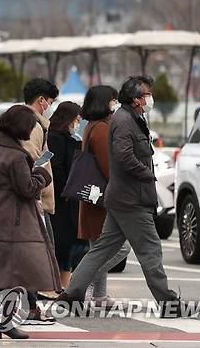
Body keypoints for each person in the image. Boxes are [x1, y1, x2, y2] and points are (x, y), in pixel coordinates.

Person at [57, 76, 181, 317]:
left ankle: (72, 293)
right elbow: (123, 156)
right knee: (151, 251)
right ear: (136, 99)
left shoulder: (130, 118)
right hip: (131, 199)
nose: (150, 98)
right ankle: (169, 302)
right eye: (147, 94)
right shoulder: (124, 121)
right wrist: (146, 174)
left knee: (102, 249)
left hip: (122, 197)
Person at [0, 105, 58, 339]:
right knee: (20, 273)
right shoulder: (16, 156)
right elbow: (27, 188)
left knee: (11, 273)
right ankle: (6, 322)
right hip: (14, 222)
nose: (32, 131)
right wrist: (41, 171)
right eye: (31, 127)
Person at [78, 86, 131, 306]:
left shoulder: (93, 126)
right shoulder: (101, 129)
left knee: (98, 247)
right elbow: (109, 167)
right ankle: (81, 283)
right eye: (113, 100)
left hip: (94, 198)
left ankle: (99, 295)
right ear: (104, 102)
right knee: (119, 247)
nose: (116, 104)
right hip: (102, 198)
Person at [20, 77, 60, 323]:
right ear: (41, 100)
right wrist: (36, 193)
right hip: (34, 199)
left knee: (35, 255)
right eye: (50, 101)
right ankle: (30, 307)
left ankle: (30, 305)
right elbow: (31, 162)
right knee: (39, 254)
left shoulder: (31, 123)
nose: (51, 106)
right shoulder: (33, 126)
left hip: (34, 198)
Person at [47, 101, 86, 289]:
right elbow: (57, 169)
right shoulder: (54, 138)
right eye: (76, 119)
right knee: (61, 243)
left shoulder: (71, 138)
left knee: (68, 245)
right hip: (60, 199)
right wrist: (68, 189)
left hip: (70, 198)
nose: (77, 123)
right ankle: (56, 284)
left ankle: (64, 284)